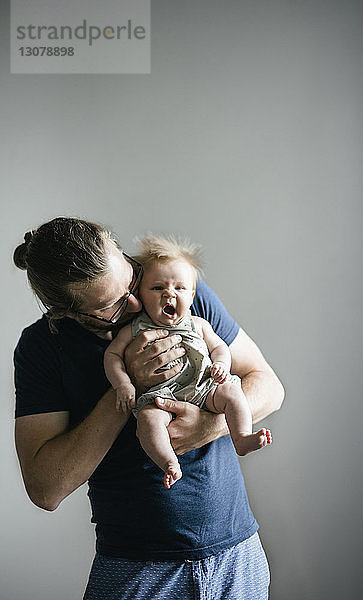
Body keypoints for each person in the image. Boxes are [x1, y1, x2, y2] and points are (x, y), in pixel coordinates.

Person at [13, 217, 284, 600]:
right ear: (69, 314)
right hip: (135, 568)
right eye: (113, 306)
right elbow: (45, 488)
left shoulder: (173, 288)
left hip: (237, 552)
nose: (140, 302)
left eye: (132, 280)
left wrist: (210, 426)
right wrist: (127, 388)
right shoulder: (42, 348)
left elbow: (269, 386)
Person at [104, 234, 272, 489]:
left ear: (193, 294)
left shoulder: (198, 323)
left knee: (232, 392)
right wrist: (123, 385)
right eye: (158, 288)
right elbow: (112, 356)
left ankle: (242, 437)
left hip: (203, 387)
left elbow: (220, 348)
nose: (169, 294)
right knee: (148, 421)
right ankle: (169, 461)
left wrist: (221, 366)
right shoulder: (135, 329)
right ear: (140, 294)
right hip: (161, 396)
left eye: (179, 288)